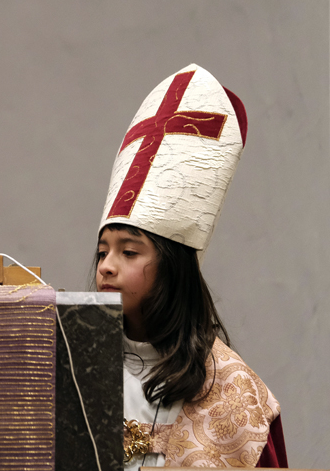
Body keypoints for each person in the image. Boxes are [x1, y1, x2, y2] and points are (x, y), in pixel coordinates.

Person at [93, 64, 286, 468]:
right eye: (102, 252)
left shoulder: (234, 392)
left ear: (172, 269)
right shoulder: (76, 364)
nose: (107, 266)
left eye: (129, 252)